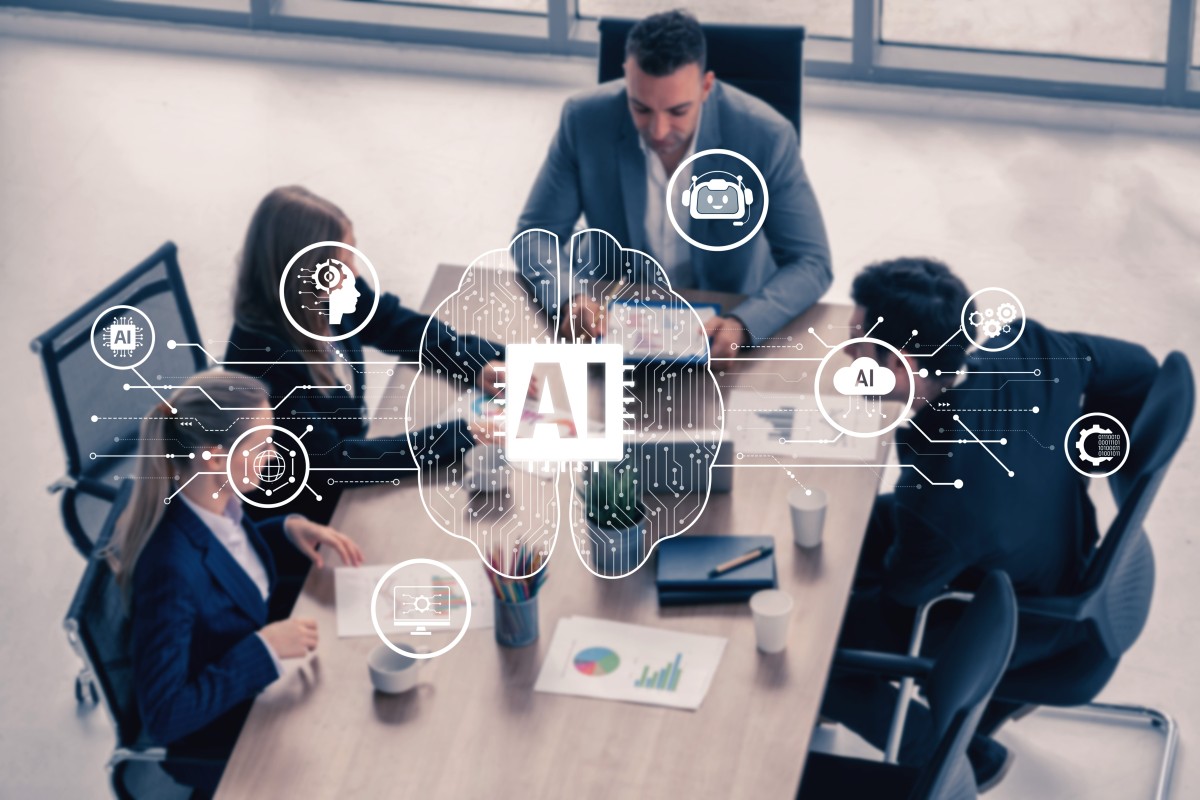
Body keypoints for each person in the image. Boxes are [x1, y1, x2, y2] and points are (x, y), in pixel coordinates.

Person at [821, 257, 1158, 791]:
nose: (842, 358)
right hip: (1067, 558)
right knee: (859, 527)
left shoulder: (935, 493)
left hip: (1027, 620)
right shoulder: (1031, 348)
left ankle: (956, 755)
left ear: (902, 367)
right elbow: (1141, 368)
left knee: (813, 650)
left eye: (856, 347)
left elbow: (901, 601)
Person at [105, 371, 364, 797]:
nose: (273, 453)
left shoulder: (216, 503)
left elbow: (224, 564)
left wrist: (285, 529)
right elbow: (165, 715)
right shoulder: (169, 570)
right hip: (232, 734)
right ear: (212, 456)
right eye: (260, 445)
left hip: (268, 691)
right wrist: (262, 649)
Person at [515, 9, 831, 355]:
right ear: (626, 78)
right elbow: (535, 234)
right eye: (641, 108)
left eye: (678, 111)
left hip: (720, 321)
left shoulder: (766, 136)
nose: (659, 131)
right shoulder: (584, 119)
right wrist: (569, 297)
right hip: (615, 314)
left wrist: (744, 323)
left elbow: (811, 262)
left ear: (706, 86)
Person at [228, 185, 512, 523]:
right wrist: (458, 435)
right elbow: (334, 461)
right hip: (315, 512)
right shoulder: (261, 360)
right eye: (342, 260)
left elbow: (391, 322)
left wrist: (471, 362)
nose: (355, 273)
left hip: (353, 474)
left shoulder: (328, 292)